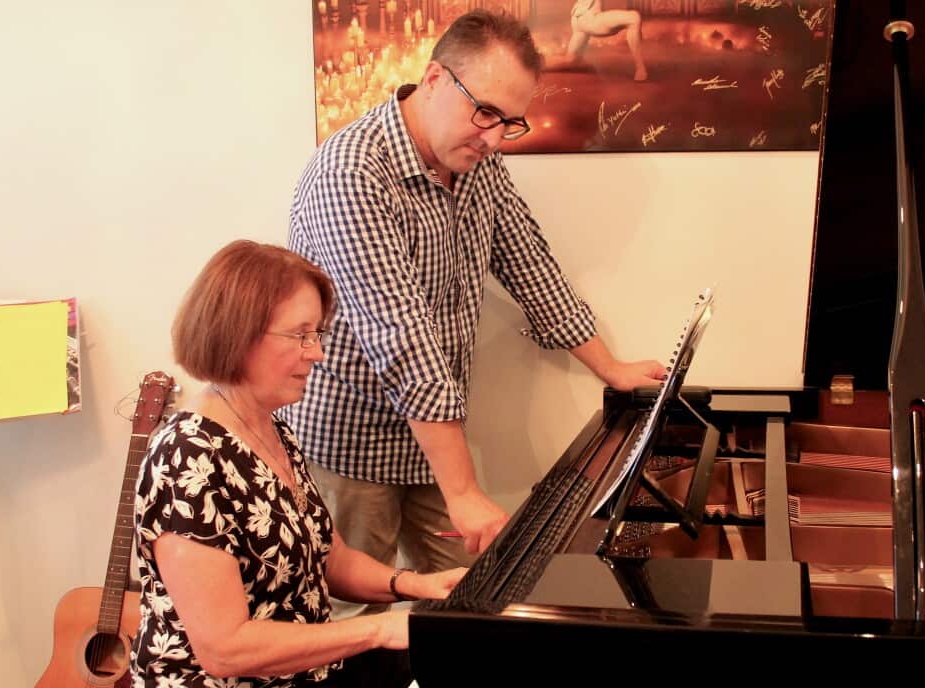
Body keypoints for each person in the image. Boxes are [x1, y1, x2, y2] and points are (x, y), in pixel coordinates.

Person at [281, 9, 665, 614]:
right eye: (485, 112)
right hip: (351, 442)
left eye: (510, 122)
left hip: (433, 439)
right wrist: (462, 491)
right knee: (359, 618)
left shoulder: (478, 162)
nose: (494, 138)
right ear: (435, 79)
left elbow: (530, 265)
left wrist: (609, 367)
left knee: (467, 603)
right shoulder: (351, 174)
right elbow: (402, 340)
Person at [130, 240, 465, 688]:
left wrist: (419, 586)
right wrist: (379, 629)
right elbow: (225, 648)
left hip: (302, 678)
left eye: (317, 334)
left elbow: (330, 558)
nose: (318, 353)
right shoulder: (187, 456)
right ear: (238, 335)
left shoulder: (271, 428)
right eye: (301, 335)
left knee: (460, 665)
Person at [548, 0, 649, 82]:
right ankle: (640, 68)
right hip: (589, 18)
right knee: (634, 17)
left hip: (578, 19)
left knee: (571, 60)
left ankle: (542, 62)